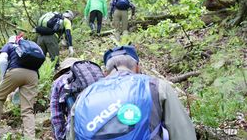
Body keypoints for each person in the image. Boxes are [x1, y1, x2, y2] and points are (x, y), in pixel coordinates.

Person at [67, 45, 196, 140]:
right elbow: (182, 132)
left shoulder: (84, 96)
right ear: (138, 68)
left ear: (105, 73)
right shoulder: (156, 86)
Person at [0, 35, 43, 139]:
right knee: (28, 110)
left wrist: (3, 78)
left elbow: (2, 60)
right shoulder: (28, 48)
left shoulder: (9, 46)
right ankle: (30, 137)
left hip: (15, 72)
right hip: (33, 76)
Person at [50, 57, 104, 140]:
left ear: (62, 71)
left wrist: (61, 136)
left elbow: (56, 115)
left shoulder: (59, 81)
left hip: (77, 128)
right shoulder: (94, 76)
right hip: (103, 123)